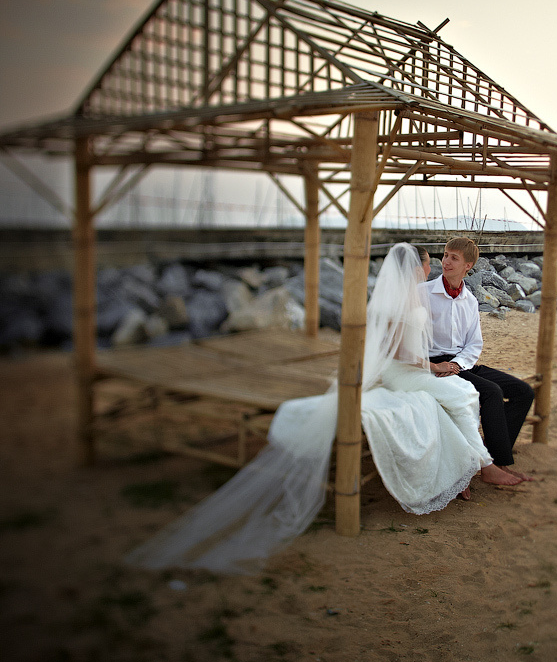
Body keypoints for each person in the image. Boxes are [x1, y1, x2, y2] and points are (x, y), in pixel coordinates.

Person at [124, 243, 490, 574]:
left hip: (411, 368)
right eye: (428, 264)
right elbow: (395, 350)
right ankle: (479, 462)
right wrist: (433, 367)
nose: (432, 269)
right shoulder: (402, 299)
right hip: (404, 371)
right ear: (416, 268)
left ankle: (472, 464)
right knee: (460, 394)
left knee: (458, 394)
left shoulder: (412, 296)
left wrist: (437, 365)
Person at [423, 237, 536, 486]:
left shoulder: (470, 301)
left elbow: (474, 344)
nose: (446, 261)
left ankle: (493, 456)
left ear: (468, 266)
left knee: (523, 391)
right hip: (435, 362)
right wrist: (441, 366)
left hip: (461, 363)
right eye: (445, 255)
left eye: (454, 257)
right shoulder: (425, 294)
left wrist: (459, 364)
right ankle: (497, 465)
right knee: (491, 392)